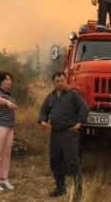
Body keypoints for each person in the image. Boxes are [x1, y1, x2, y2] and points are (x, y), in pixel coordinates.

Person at [38, 72, 89, 201]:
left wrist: (79, 123)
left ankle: (78, 192)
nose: (60, 83)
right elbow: (44, 111)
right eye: (57, 81)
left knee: (72, 162)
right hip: (55, 133)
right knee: (55, 161)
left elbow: (84, 109)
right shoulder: (51, 96)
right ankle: (60, 188)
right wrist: (43, 121)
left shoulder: (73, 94)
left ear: (65, 81)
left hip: (69, 133)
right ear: (53, 82)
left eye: (62, 80)